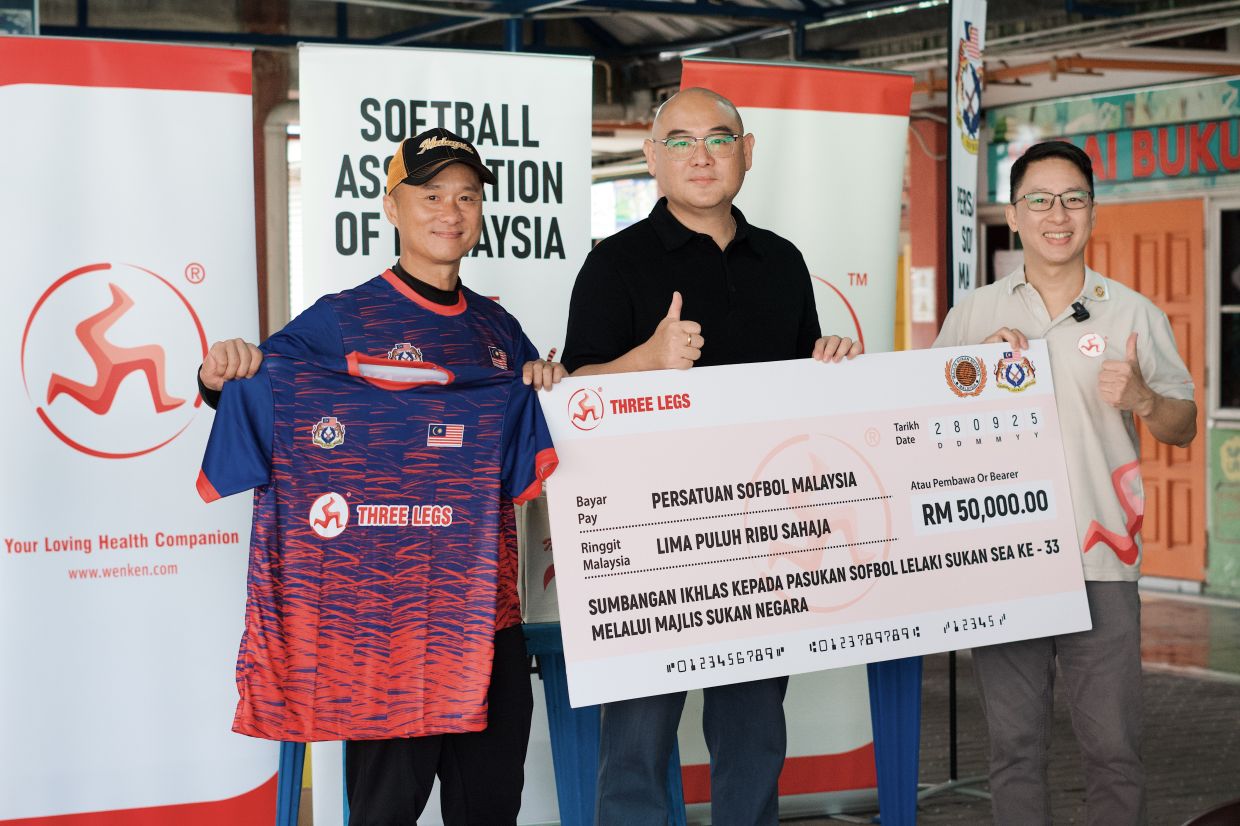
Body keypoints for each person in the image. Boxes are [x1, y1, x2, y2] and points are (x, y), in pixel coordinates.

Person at [198, 128, 563, 826]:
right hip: (384, 629)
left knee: (490, 811)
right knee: (383, 814)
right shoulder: (341, 320)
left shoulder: (497, 329)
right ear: (393, 209)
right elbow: (256, 387)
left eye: (466, 196)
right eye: (430, 195)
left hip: (490, 621)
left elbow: (543, 432)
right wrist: (217, 376)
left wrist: (548, 382)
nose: (449, 211)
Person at [560, 87, 862, 826]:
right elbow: (572, 393)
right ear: (652, 160)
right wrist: (647, 360)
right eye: (682, 141)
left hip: (760, 541)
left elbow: (802, 398)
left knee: (755, 736)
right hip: (645, 544)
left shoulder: (784, 262)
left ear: (748, 152)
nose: (702, 156)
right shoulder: (615, 265)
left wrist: (829, 361)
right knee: (635, 743)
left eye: (720, 139)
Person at [934, 140, 1197, 825]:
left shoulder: (1133, 314)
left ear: (1093, 212)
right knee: (1014, 747)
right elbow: (925, 423)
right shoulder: (973, 315)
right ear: (1014, 216)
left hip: (1102, 560)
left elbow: (1182, 425)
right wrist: (967, 376)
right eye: (1040, 200)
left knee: (1114, 748)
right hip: (1006, 561)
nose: (1059, 214)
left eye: (1074, 199)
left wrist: (1144, 397)